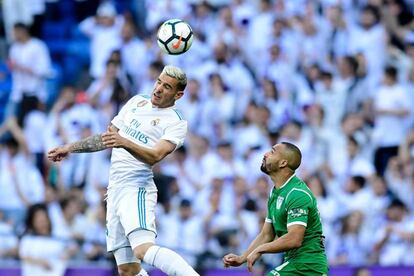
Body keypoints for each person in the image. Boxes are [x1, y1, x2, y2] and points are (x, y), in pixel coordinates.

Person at [47, 65, 199, 276]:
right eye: (158, 82)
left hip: (136, 188)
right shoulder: (137, 101)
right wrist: (69, 148)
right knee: (127, 270)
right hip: (115, 192)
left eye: (167, 87)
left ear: (178, 94)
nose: (158, 89)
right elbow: (107, 138)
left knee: (142, 249)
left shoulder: (176, 121)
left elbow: (155, 155)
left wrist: (125, 142)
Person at [223, 142, 328, 275]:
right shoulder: (276, 192)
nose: (265, 154)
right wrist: (242, 258)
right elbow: (267, 234)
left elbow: (294, 239)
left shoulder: (297, 194)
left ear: (283, 163)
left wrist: (260, 250)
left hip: (308, 266)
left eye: (272, 152)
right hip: (296, 263)